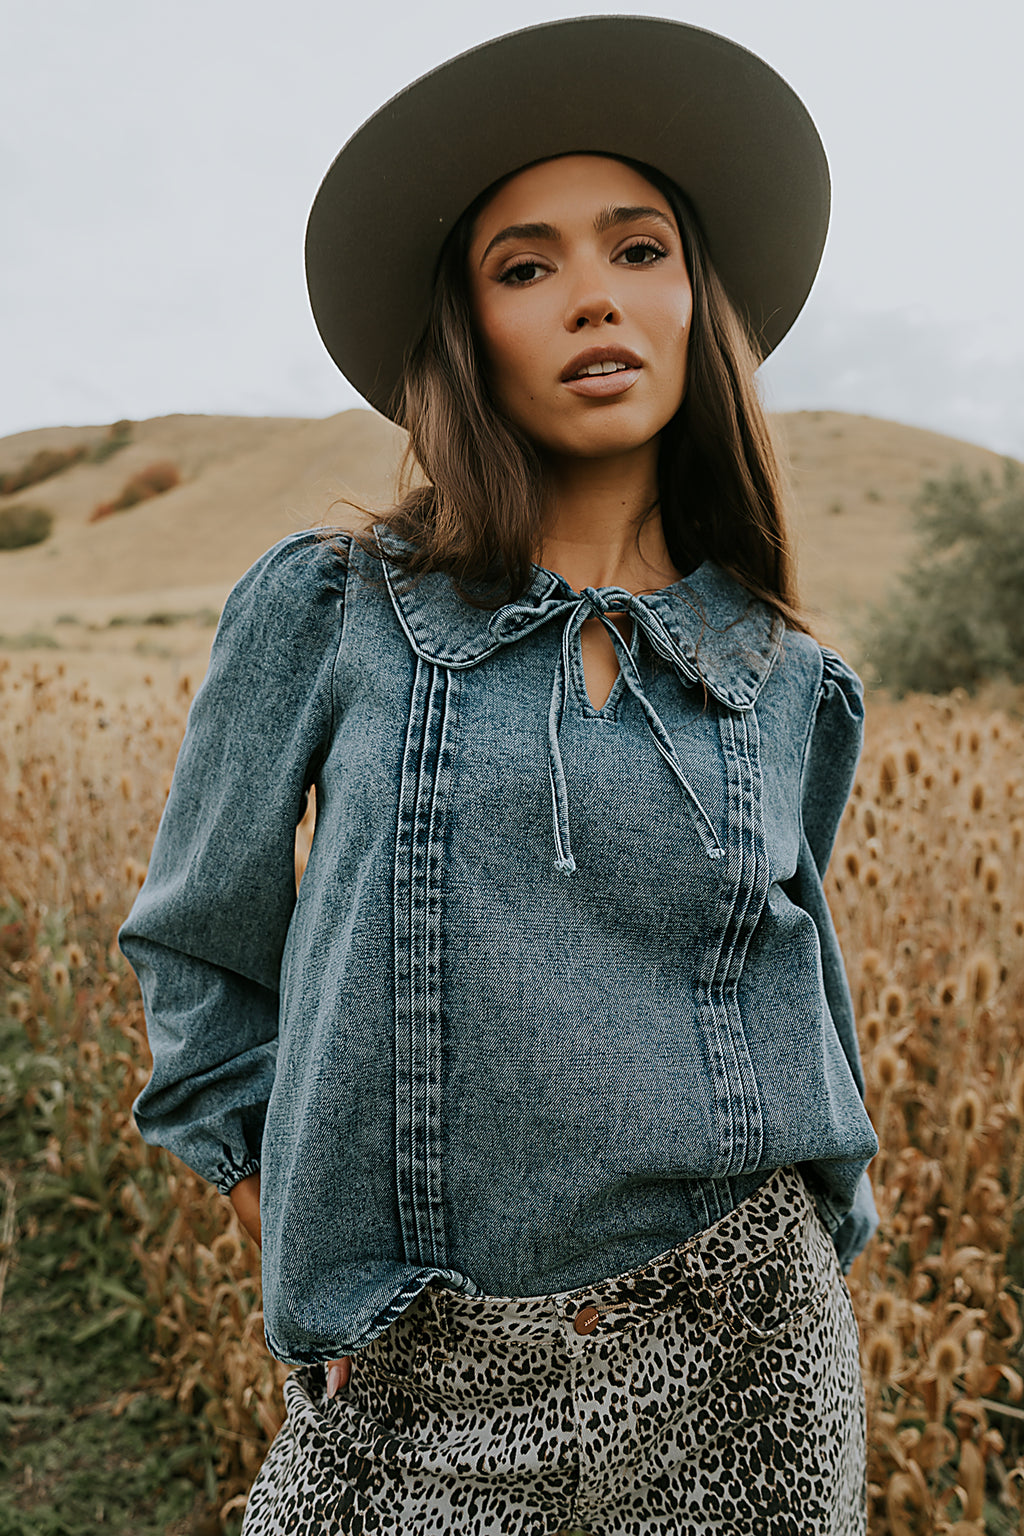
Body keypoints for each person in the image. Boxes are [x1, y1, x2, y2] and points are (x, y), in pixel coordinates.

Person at [119, 16, 880, 1535]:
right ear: (470, 329)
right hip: (413, 1368)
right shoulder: (333, 609)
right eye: (526, 266)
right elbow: (199, 937)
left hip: (748, 1355)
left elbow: (796, 1000)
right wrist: (299, 1224)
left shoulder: (794, 682)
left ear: (694, 300)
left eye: (639, 248)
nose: (593, 294)